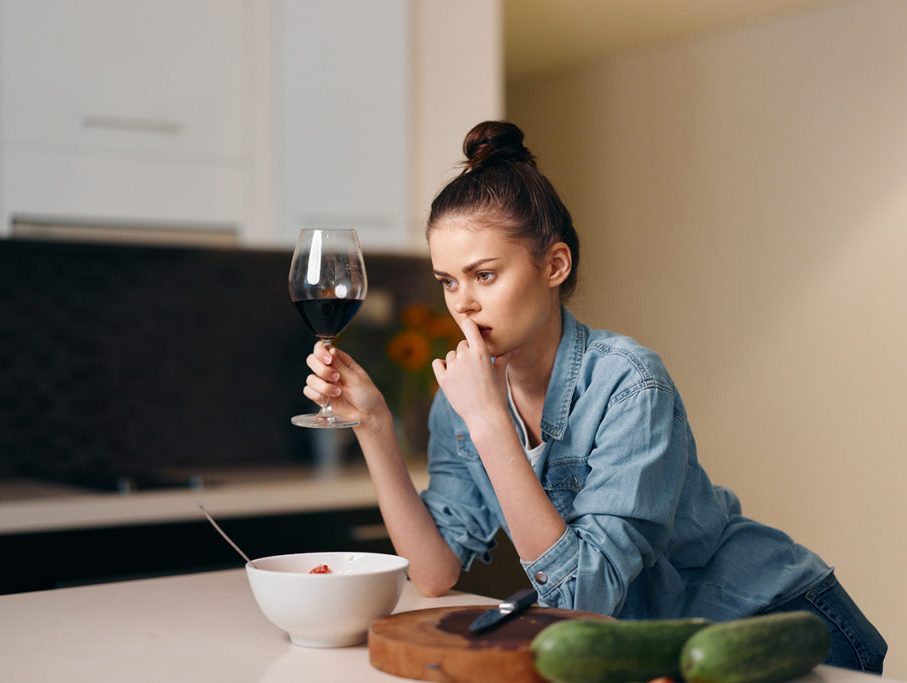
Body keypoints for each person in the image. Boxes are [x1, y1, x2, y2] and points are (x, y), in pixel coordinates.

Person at [300, 121, 886, 672]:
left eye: (484, 275)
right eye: (449, 281)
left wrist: (490, 424)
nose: (463, 304)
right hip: (674, 651)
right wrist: (373, 426)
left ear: (554, 265)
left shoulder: (630, 382)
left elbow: (586, 595)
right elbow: (432, 572)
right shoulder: (462, 398)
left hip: (783, 624)